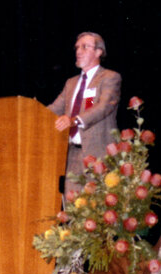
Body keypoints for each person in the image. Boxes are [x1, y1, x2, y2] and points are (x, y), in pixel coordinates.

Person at [48, 31, 122, 197]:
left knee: (97, 205)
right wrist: (32, 112)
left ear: (98, 52)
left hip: (99, 155)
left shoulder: (110, 77)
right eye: (77, 48)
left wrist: (74, 120)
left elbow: (104, 107)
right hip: (72, 155)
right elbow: (54, 108)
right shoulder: (71, 83)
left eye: (84, 47)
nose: (78, 51)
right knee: (73, 205)